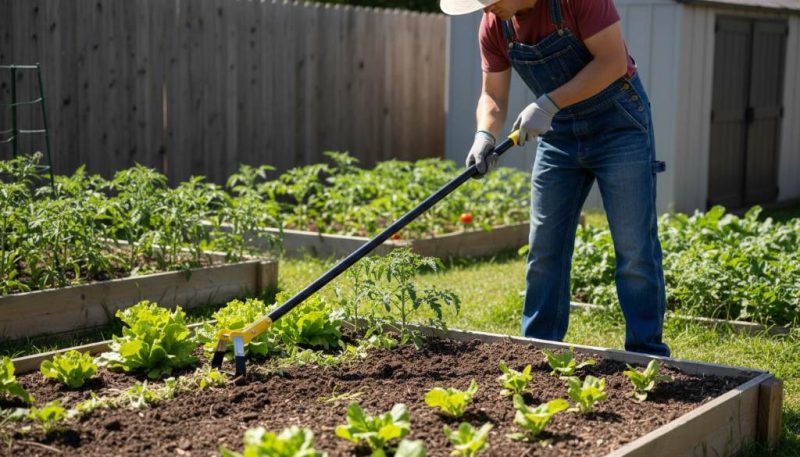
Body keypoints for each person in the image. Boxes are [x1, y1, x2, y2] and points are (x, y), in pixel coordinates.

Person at [440, 0, 670, 356]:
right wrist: (484, 134)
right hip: (559, 135)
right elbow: (492, 95)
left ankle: (646, 355)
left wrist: (547, 104)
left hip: (619, 126)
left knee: (634, 249)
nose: (488, 7)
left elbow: (612, 62)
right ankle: (539, 350)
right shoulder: (494, 23)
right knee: (544, 250)